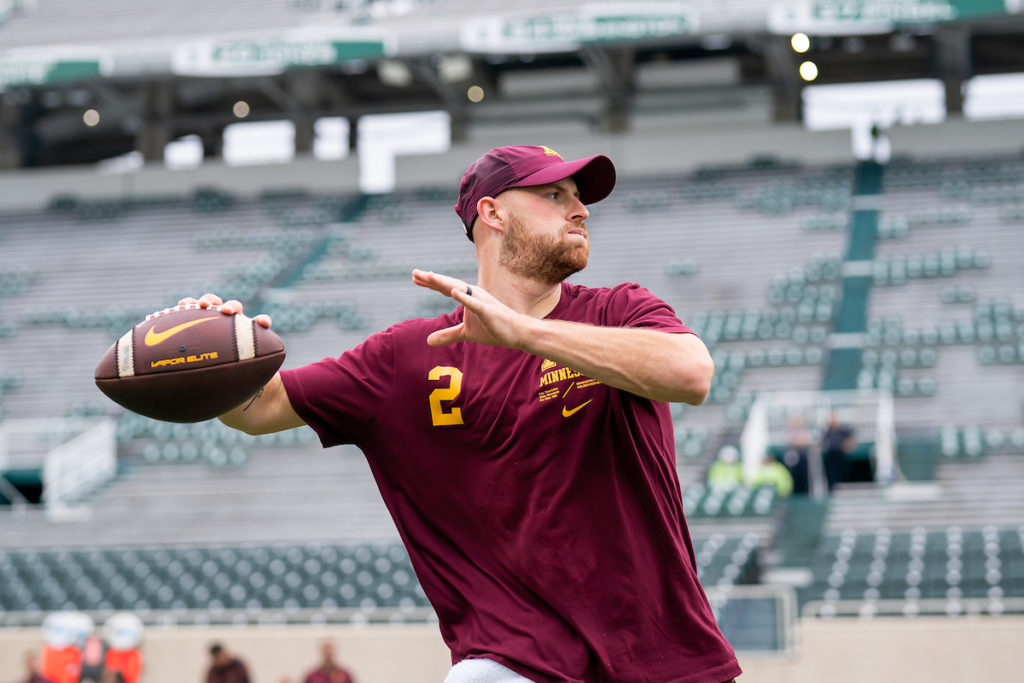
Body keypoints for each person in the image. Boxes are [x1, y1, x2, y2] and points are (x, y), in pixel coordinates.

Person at [187, 145, 741, 683]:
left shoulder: (621, 309)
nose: (581, 209)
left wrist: (523, 332)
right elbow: (258, 408)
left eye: (578, 195)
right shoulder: (406, 356)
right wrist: (210, 358)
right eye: (554, 194)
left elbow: (690, 374)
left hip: (668, 660)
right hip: (514, 664)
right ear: (492, 213)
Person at [821, 412, 855, 492]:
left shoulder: (843, 432)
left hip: (841, 456)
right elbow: (822, 444)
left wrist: (848, 445)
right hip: (831, 457)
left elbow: (850, 442)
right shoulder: (826, 432)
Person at [780, 415, 811, 495]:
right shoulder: (788, 431)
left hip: (802, 457)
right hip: (792, 457)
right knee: (793, 477)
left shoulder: (803, 431)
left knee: (803, 478)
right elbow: (791, 441)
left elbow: (804, 441)